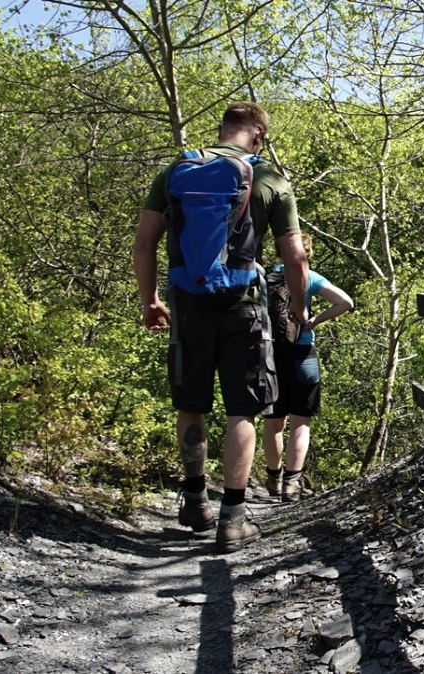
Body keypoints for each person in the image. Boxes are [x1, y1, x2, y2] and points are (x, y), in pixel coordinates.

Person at [132, 101, 310, 553]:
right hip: (244, 307)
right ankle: (232, 517)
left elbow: (144, 243)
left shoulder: (177, 170)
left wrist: (150, 300)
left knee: (190, 402)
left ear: (221, 130)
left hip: (188, 305)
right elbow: (295, 256)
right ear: (259, 135)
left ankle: (194, 500)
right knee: (242, 410)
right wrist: (298, 308)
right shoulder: (268, 178)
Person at [261, 234, 354, 501]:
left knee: (273, 423)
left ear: (279, 250)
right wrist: (314, 321)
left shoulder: (265, 277)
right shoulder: (310, 277)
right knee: (301, 423)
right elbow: (345, 302)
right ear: (308, 252)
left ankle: (273, 478)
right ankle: (292, 484)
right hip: (303, 355)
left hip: (270, 354)